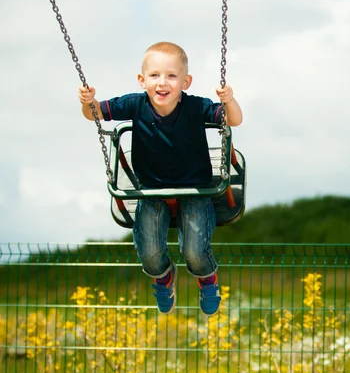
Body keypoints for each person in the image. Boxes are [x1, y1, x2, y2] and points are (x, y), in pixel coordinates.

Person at [78, 41, 243, 316]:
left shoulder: (195, 107)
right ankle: (164, 277)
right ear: (142, 80)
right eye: (154, 75)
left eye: (171, 76)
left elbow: (234, 119)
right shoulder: (134, 104)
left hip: (196, 188)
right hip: (151, 189)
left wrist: (228, 99)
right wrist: (88, 103)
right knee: (150, 254)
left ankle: (207, 279)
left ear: (185, 82)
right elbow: (94, 114)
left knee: (195, 251)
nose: (162, 83)